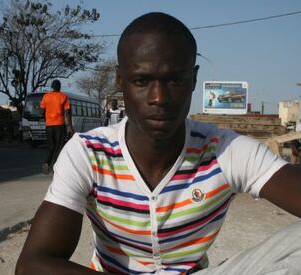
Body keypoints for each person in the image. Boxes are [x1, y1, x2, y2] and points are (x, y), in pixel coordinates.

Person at [16, 12, 301, 274]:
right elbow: (32, 264)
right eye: (141, 80)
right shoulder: (88, 153)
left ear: (193, 79)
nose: (158, 99)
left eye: (174, 80)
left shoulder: (224, 150)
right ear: (120, 80)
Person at [40, 79, 74, 174]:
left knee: (50, 146)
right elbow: (67, 113)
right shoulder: (63, 97)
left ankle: (47, 162)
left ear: (52, 87)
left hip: (49, 125)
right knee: (59, 146)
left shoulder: (46, 97)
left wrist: (47, 120)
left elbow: (42, 111)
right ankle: (55, 165)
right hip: (59, 124)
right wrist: (69, 127)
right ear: (59, 87)